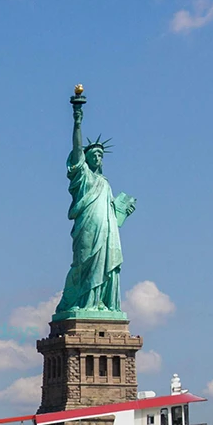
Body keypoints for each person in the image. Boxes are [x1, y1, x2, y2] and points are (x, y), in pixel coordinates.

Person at [55, 95, 136, 315]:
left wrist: (123, 213)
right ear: (86, 158)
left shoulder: (105, 183)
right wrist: (77, 122)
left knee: (106, 264)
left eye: (101, 155)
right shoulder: (82, 176)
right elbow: (76, 148)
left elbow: (112, 216)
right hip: (87, 227)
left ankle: (100, 303)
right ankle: (84, 302)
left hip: (107, 231)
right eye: (94, 154)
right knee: (84, 263)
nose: (98, 157)